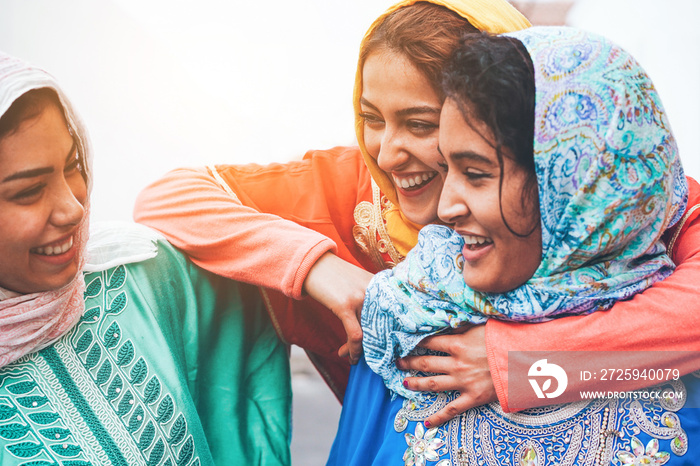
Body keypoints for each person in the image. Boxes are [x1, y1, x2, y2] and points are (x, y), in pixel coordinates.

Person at [133, 0, 700, 427]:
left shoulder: (623, 198)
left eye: (422, 125)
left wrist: (518, 365)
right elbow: (167, 198)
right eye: (371, 117)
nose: (386, 151)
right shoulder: (355, 204)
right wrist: (320, 268)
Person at [329, 27, 700, 465]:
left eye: (477, 174)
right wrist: (314, 266)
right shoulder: (403, 328)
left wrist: (521, 363)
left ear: (574, 186)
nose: (445, 207)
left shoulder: (681, 354)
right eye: (448, 167)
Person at [0, 52, 291, 465]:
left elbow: (248, 346)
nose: (73, 209)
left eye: (73, 166)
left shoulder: (141, 273)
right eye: (28, 192)